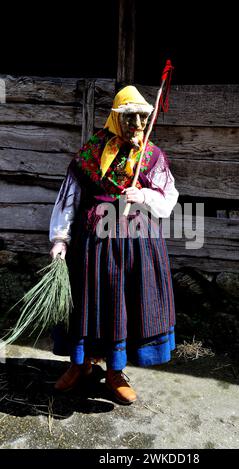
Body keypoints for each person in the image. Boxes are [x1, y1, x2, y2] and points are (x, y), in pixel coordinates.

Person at [49, 85, 179, 404]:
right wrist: (60, 238)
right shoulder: (92, 151)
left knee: (123, 306)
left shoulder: (151, 155)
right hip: (92, 247)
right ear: (115, 119)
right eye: (129, 118)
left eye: (140, 118)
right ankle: (80, 365)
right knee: (88, 305)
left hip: (136, 246)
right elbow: (69, 197)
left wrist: (144, 195)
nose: (135, 125)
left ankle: (115, 372)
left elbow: (169, 197)